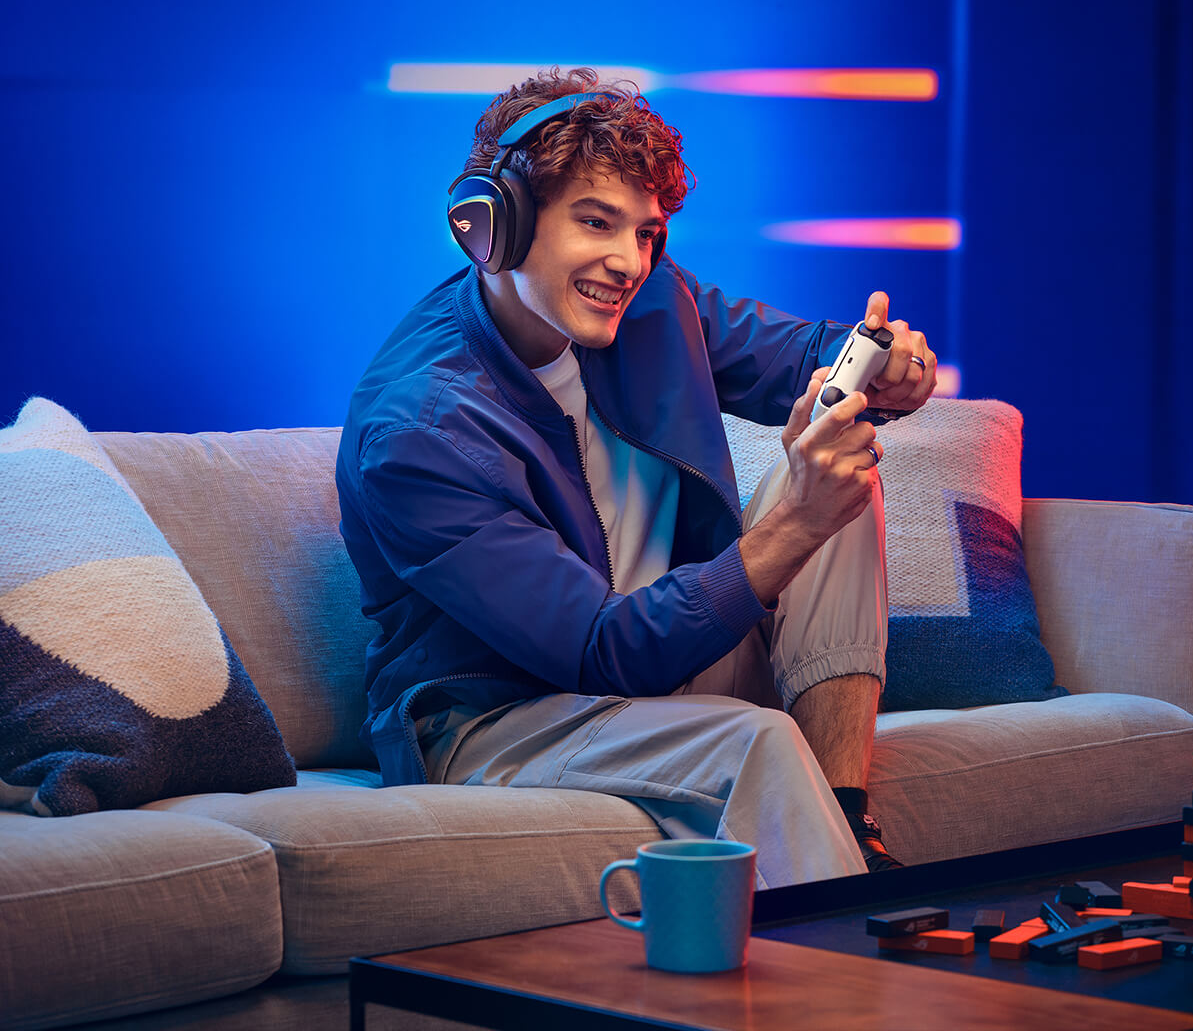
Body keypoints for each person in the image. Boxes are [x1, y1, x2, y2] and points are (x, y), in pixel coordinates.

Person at [336, 66, 937, 888]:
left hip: (655, 659)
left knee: (841, 489)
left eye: (647, 233)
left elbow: (801, 354)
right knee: (757, 727)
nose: (628, 261)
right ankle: (854, 970)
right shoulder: (421, 428)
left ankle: (844, 821)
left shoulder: (652, 300)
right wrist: (792, 521)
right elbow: (598, 649)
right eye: (596, 222)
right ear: (493, 227)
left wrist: (886, 367)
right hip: (504, 716)